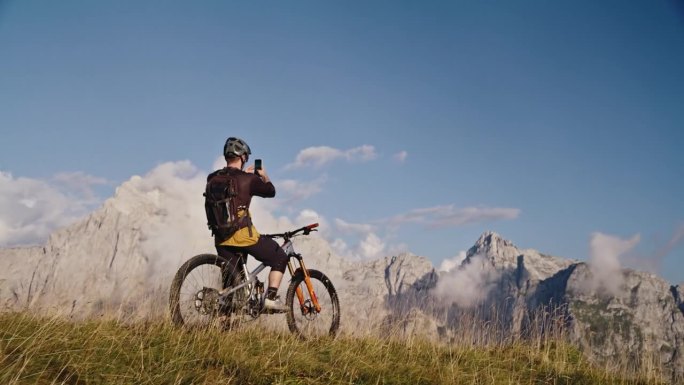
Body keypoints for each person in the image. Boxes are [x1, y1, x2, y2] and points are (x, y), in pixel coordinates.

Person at [210, 137, 289, 312]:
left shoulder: (212, 178)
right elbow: (271, 191)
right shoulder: (248, 179)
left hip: (220, 238)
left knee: (230, 288)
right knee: (280, 257)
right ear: (243, 157)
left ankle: (224, 328)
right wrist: (262, 176)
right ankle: (270, 299)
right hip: (242, 236)